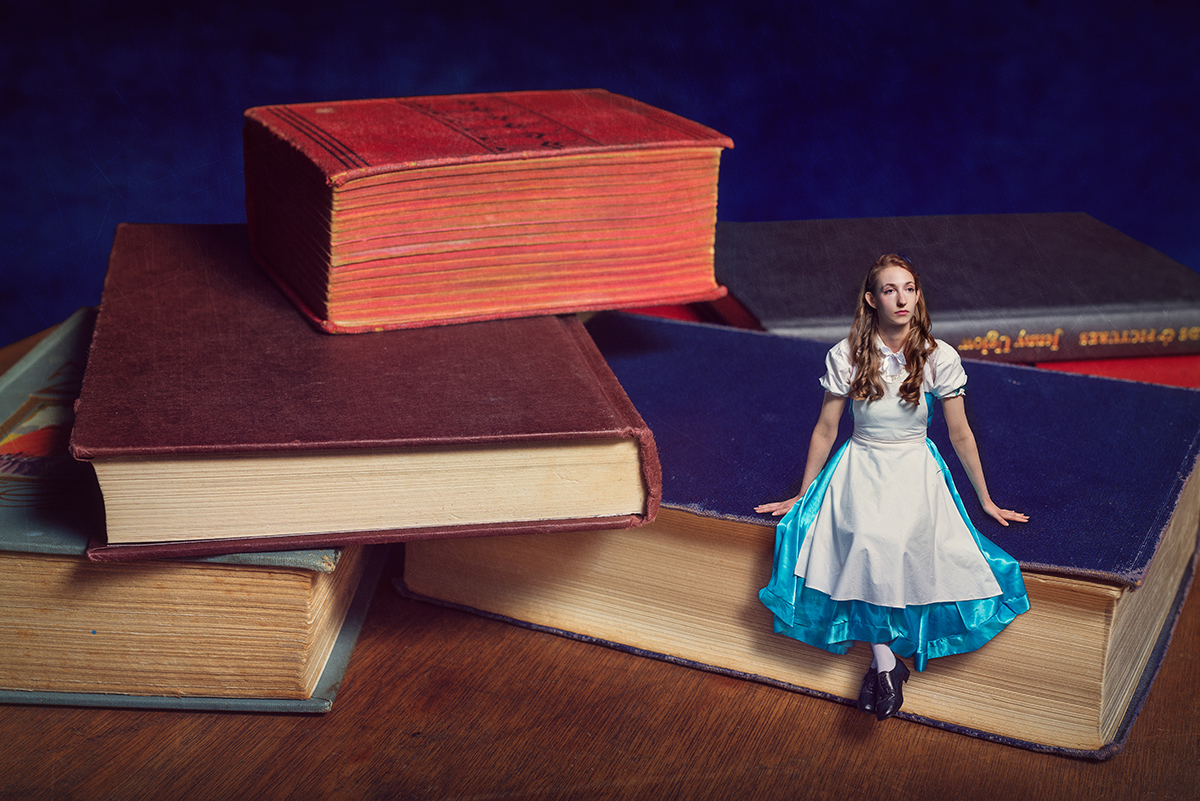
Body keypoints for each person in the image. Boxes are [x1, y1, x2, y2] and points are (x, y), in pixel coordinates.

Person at [755, 254, 1029, 721]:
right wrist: (803, 493)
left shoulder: (938, 355)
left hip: (913, 466)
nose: (901, 298)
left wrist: (985, 499)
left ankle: (883, 665)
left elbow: (960, 433)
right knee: (863, 541)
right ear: (871, 299)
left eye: (908, 288)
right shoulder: (847, 354)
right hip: (860, 462)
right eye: (889, 290)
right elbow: (826, 428)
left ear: (918, 295)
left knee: (897, 543)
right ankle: (885, 664)